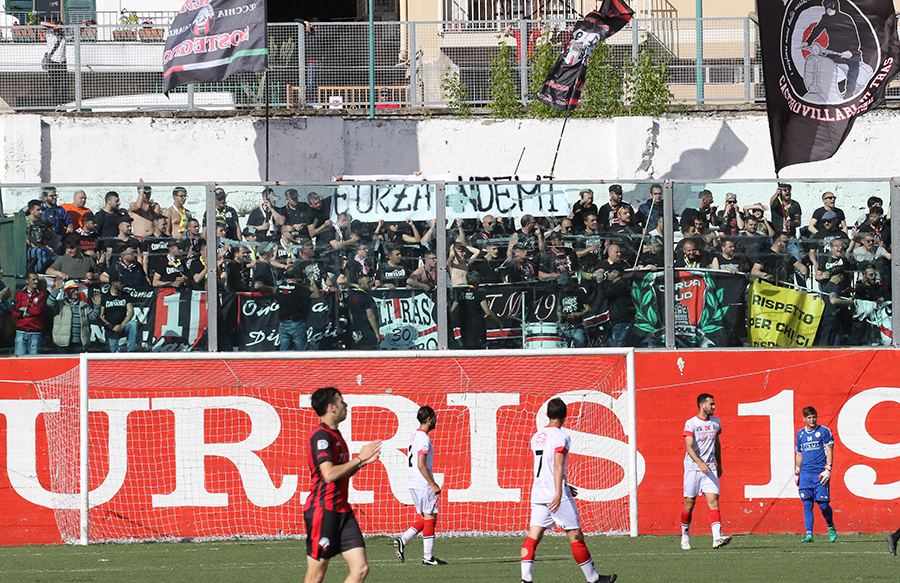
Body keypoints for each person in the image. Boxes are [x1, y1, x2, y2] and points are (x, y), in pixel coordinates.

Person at [521, 398, 617, 583]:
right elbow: (557, 464)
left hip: (538, 491)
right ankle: (594, 579)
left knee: (534, 535)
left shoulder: (536, 436)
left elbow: (545, 466)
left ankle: (526, 579)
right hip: (555, 494)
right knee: (575, 534)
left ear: (547, 414)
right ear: (564, 416)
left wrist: (563, 484)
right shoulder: (562, 436)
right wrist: (559, 492)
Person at [303, 387, 382, 583]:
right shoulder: (321, 436)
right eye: (341, 402)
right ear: (331, 407)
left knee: (361, 569)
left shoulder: (335, 434)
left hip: (343, 512)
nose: (345, 405)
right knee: (316, 576)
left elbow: (340, 473)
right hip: (324, 511)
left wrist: (363, 463)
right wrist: (358, 459)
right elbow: (329, 475)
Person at [393, 406, 446, 566]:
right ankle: (428, 557)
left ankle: (403, 540)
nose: (436, 421)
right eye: (435, 418)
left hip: (414, 483)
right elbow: (421, 464)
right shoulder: (423, 439)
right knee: (431, 518)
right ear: (429, 419)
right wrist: (433, 483)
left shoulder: (413, 436)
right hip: (423, 484)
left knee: (425, 518)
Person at [681, 393, 732, 551]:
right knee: (690, 503)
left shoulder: (716, 422)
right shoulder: (691, 423)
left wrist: (719, 463)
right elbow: (689, 446)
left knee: (714, 500)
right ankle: (685, 536)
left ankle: (717, 538)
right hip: (693, 468)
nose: (714, 407)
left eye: (714, 404)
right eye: (711, 404)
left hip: (710, 467)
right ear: (702, 405)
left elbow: (716, 443)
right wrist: (699, 463)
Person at [794, 406, 837, 543]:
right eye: (809, 418)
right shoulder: (800, 434)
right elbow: (799, 453)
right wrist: (797, 471)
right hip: (806, 475)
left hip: (820, 473)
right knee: (807, 504)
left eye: (814, 417)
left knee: (823, 505)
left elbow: (829, 451)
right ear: (804, 419)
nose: (812, 420)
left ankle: (830, 526)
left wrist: (828, 469)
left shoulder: (824, 431)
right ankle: (809, 535)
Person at [450, 271, 503, 349]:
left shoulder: (460, 293)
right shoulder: (479, 293)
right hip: (477, 326)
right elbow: (488, 312)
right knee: (478, 350)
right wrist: (499, 322)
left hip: (464, 325)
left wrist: (462, 313)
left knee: (466, 349)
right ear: (477, 281)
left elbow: (453, 309)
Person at [276, 263, 320, 351]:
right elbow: (316, 295)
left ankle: (282, 365)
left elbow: (276, 301)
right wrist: (313, 283)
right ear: (296, 275)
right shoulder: (299, 289)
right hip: (296, 323)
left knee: (283, 350)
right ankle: (301, 365)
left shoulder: (280, 288)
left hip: (283, 323)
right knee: (301, 352)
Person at [48, 279, 95, 353]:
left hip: (79, 343)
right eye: (73, 291)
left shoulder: (84, 306)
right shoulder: (60, 304)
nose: (76, 292)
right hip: (63, 344)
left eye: (77, 290)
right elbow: (50, 303)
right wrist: (56, 289)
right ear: (67, 292)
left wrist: (97, 306)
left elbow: (93, 317)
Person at [97, 272, 138, 353]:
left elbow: (131, 312)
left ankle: (131, 350)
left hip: (123, 326)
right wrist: (111, 327)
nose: (123, 284)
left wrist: (122, 325)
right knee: (114, 352)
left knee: (133, 324)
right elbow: (100, 316)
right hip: (110, 328)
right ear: (114, 283)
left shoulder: (126, 295)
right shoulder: (105, 297)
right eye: (121, 282)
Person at [13, 272, 49, 355]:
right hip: (21, 332)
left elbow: (38, 310)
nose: (36, 282)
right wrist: (29, 312)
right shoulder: (20, 294)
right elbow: (14, 312)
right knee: (19, 360)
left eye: (37, 279)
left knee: (34, 361)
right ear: (27, 281)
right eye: (33, 279)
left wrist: (24, 310)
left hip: (35, 332)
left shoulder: (42, 295)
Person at [40, 19, 72, 105]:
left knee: (64, 84)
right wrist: (52, 26)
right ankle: (54, 104)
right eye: (59, 27)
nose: (60, 29)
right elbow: (41, 23)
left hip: (62, 62)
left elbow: (77, 34)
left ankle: (64, 104)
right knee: (54, 84)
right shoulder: (49, 35)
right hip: (53, 62)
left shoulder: (65, 36)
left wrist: (84, 25)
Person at [348, 274, 380, 349]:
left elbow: (352, 316)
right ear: (360, 285)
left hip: (356, 331)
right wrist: (377, 333)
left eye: (370, 282)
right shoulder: (366, 297)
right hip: (367, 331)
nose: (370, 285)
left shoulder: (353, 297)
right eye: (368, 283)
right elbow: (370, 315)